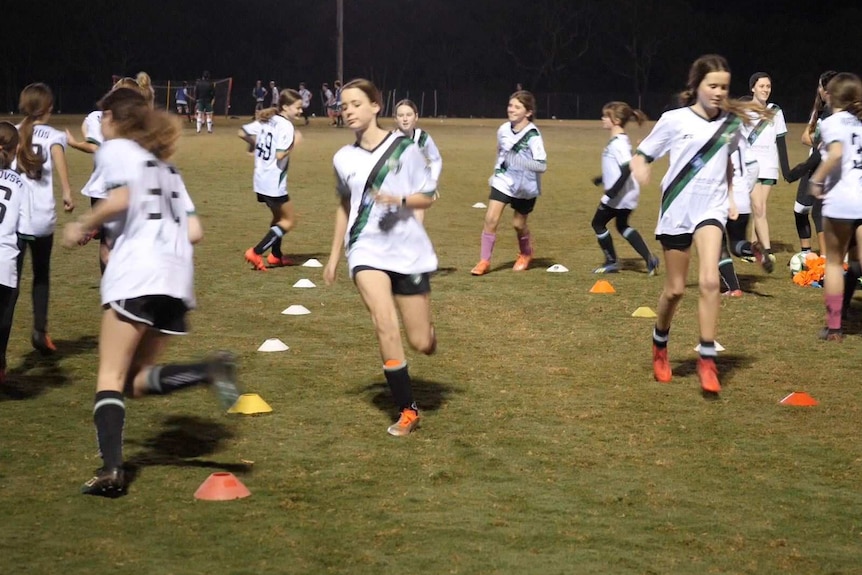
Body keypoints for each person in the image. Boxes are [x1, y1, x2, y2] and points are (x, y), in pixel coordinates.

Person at [61, 87, 240, 497]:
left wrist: (84, 224)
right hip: (176, 281)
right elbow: (194, 230)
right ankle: (207, 371)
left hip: (137, 274)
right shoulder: (167, 168)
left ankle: (111, 472)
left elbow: (122, 196)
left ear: (111, 118)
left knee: (108, 374)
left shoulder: (116, 150)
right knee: (133, 381)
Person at [630, 54, 764, 394]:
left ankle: (707, 358)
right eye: (712, 85)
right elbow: (643, 153)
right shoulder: (674, 120)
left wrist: (732, 195)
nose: (719, 92)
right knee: (675, 290)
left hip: (712, 208)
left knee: (708, 281)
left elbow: (730, 163)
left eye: (724, 87)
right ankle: (660, 343)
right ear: (697, 86)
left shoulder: (732, 124)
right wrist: (641, 167)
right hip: (677, 207)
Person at [323, 78, 438, 437]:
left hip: (407, 249)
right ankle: (408, 410)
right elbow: (345, 205)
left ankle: (427, 336)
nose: (348, 111)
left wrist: (399, 200)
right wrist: (334, 255)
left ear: (376, 106)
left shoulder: (406, 148)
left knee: (421, 342)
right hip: (365, 247)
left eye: (356, 103)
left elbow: (429, 196)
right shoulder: (343, 158)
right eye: (344, 106)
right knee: (384, 321)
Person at [3, 83, 75, 357]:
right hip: (42, 221)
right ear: (48, 108)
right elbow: (59, 162)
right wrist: (68, 193)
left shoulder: (14, 133)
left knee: (10, 286)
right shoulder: (54, 135)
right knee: (41, 276)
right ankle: (39, 332)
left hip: (15, 222)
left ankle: (2, 354)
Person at [66, 77, 145, 275]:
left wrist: (75, 143)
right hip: (131, 184)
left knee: (108, 241)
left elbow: (92, 141)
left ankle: (111, 287)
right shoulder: (141, 120)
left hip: (103, 184)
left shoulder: (99, 116)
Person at [807, 72, 862, 342]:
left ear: (833, 96)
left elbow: (837, 153)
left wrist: (816, 179)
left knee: (833, 263)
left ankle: (834, 328)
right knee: (857, 262)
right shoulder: (860, 124)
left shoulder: (831, 122)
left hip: (841, 201)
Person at [470, 90, 547, 276]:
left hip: (525, 187)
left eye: (517, 107)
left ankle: (526, 253)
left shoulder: (533, 135)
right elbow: (501, 153)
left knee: (518, 225)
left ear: (528, 112)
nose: (511, 109)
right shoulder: (503, 129)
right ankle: (484, 261)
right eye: (510, 105)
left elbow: (542, 165)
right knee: (490, 218)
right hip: (503, 181)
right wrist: (496, 171)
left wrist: (520, 162)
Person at [589, 101, 659, 275]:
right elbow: (616, 167)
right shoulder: (618, 140)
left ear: (616, 120)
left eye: (606, 116)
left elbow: (627, 168)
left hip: (620, 194)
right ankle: (650, 259)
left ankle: (611, 261)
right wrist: (602, 178)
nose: (603, 119)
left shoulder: (618, 142)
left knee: (598, 223)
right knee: (622, 225)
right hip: (627, 192)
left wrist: (612, 192)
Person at [238, 89, 304, 271]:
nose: (300, 111)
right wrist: (294, 144)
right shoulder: (286, 126)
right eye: (297, 108)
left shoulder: (268, 120)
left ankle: (275, 255)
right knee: (288, 221)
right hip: (274, 182)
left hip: (260, 179)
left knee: (277, 217)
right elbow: (281, 154)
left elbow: (242, 132)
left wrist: (254, 145)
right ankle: (256, 251)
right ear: (285, 107)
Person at [786, 71, 837, 256]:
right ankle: (807, 254)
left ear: (827, 89)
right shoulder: (821, 111)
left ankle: (825, 259)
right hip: (814, 166)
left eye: (820, 86)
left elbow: (824, 145)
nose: (818, 90)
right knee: (801, 210)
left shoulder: (836, 115)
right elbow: (804, 137)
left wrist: (799, 170)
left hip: (824, 167)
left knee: (820, 212)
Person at [742, 72, 789, 272]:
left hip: (769, 166)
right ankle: (767, 251)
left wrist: (786, 169)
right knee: (759, 207)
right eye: (761, 86)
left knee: (759, 208)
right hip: (751, 165)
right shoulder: (744, 110)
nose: (765, 90)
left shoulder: (776, 111)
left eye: (768, 86)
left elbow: (780, 141)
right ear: (753, 88)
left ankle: (753, 248)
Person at [0, 123, 28, 382]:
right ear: (15, 149)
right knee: (3, 320)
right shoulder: (20, 183)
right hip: (5, 264)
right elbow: (26, 228)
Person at [394, 98, 442, 225]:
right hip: (395, 192)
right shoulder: (389, 140)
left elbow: (436, 159)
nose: (405, 119)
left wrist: (432, 182)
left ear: (416, 117)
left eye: (409, 115)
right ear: (395, 118)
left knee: (416, 225)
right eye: (401, 115)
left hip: (417, 190)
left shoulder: (422, 137)